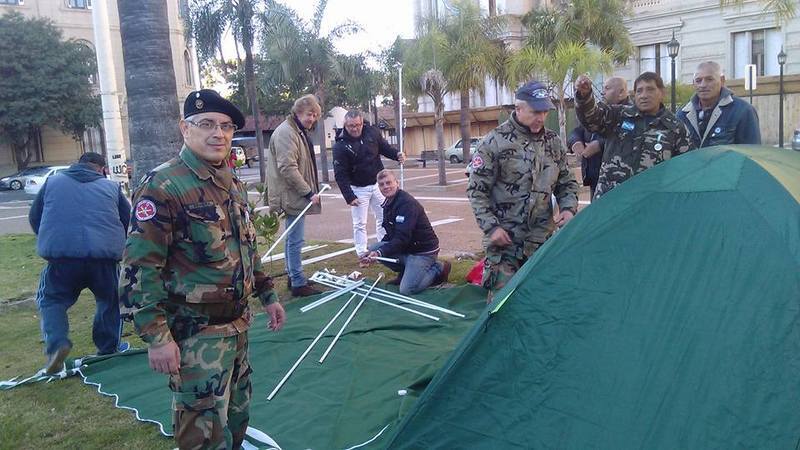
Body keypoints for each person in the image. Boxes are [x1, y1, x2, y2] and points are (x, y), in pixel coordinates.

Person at [119, 89, 284, 450]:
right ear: (185, 128)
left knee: (236, 422)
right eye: (206, 124)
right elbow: (139, 266)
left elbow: (247, 248)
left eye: (225, 126)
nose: (218, 133)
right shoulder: (163, 185)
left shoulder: (230, 183)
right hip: (195, 335)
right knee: (202, 433)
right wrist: (156, 337)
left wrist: (268, 294)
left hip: (237, 328)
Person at [467, 81, 579, 298]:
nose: (541, 117)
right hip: (505, 244)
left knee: (541, 304)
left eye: (545, 111)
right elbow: (476, 190)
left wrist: (568, 208)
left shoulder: (553, 142)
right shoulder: (494, 142)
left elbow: (567, 183)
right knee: (502, 308)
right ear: (518, 108)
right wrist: (491, 228)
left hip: (541, 243)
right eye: (536, 111)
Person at [29, 152, 131, 375]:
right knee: (109, 301)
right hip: (103, 259)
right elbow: (128, 220)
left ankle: (57, 344)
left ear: (78, 164)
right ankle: (108, 348)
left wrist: (50, 238)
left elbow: (35, 217)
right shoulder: (111, 188)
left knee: (52, 300)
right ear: (102, 169)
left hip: (62, 258)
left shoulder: (52, 182)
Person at [575, 72, 691, 199]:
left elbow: (685, 169)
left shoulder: (675, 127)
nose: (644, 95)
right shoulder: (619, 115)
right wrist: (584, 96)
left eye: (650, 89)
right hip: (610, 200)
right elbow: (592, 118)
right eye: (639, 91)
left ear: (662, 93)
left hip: (648, 203)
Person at [267, 94, 323, 297]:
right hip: (291, 194)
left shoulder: (296, 130)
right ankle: (298, 282)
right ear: (298, 112)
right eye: (310, 114)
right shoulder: (287, 132)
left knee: (294, 238)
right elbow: (287, 167)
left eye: (315, 115)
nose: (312, 119)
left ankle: (294, 276)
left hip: (294, 193)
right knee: (295, 240)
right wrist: (308, 192)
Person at [361, 170, 450, 295]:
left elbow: (402, 238)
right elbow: (391, 235)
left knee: (407, 289)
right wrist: (372, 253)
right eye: (381, 184)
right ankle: (405, 271)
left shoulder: (407, 204)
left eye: (388, 183)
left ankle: (437, 269)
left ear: (396, 183)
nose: (385, 187)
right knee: (373, 248)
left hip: (422, 252)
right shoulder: (388, 203)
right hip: (407, 248)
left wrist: (380, 252)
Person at [333, 110, 405, 256]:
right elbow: (340, 174)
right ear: (345, 125)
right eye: (351, 126)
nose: (355, 128)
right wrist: (349, 196)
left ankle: (384, 247)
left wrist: (397, 155)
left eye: (358, 125)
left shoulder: (372, 133)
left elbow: (385, 148)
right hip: (358, 188)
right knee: (360, 223)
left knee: (384, 218)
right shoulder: (340, 146)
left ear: (362, 123)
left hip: (378, 185)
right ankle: (361, 252)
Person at [568, 77, 629, 200]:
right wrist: (575, 142)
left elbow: (626, 135)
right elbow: (579, 129)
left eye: (607, 88)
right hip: (596, 180)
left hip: (619, 183)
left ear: (621, 92)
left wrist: (599, 145)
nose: (603, 92)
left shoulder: (630, 114)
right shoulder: (600, 113)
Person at [677, 61, 761, 148]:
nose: (703, 85)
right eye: (698, 81)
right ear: (693, 83)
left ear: (722, 80)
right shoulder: (683, 114)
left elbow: (753, 154)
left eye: (709, 79)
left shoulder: (743, 111)